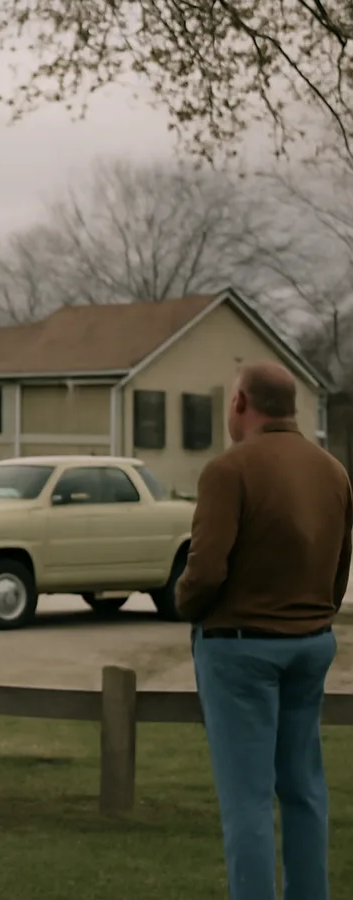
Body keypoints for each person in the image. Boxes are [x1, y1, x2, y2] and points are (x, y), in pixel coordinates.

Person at [176, 361, 352, 900]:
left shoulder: (229, 471)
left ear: (241, 404)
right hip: (310, 642)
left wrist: (187, 604)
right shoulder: (333, 471)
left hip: (241, 649)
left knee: (248, 800)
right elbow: (340, 567)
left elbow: (205, 572)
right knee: (303, 791)